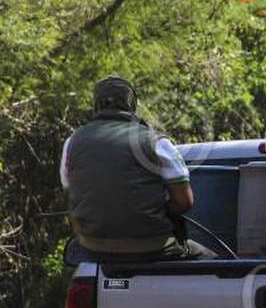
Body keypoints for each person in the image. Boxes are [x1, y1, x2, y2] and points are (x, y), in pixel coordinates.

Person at [61, 76, 215, 262]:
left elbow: (73, 197)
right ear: (132, 104)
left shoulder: (72, 143)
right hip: (152, 247)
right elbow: (184, 202)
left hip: (91, 248)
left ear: (96, 105)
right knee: (213, 261)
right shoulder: (156, 142)